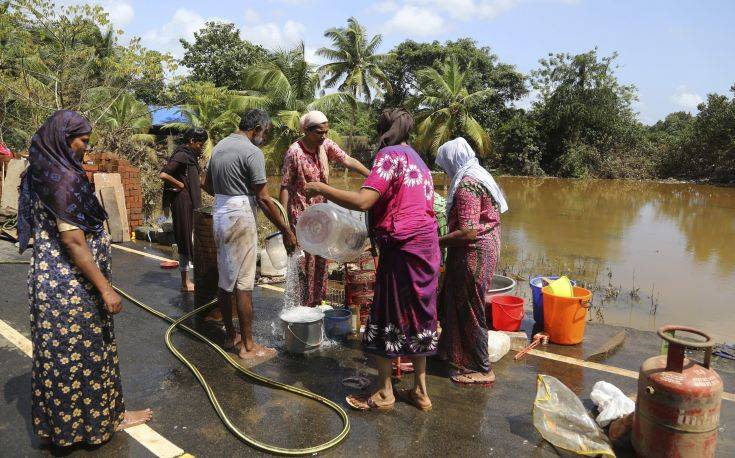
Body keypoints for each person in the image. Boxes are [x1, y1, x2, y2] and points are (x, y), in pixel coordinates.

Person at [16, 110, 152, 447]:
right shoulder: (62, 179)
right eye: (82, 142)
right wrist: (105, 288)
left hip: (49, 283)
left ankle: (66, 429)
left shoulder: (41, 171)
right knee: (88, 354)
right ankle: (100, 424)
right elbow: (73, 240)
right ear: (64, 139)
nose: (85, 149)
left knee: (61, 357)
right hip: (70, 287)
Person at [305, 108, 440, 412]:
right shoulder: (417, 159)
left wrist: (320, 188)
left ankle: (384, 393)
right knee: (419, 314)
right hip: (426, 246)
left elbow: (366, 200)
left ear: (385, 130)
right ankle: (420, 391)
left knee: (385, 314)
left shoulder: (389, 155)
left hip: (402, 246)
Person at [203, 109, 297, 359]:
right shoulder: (251, 152)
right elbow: (265, 199)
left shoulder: (220, 147)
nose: (264, 139)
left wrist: (228, 194)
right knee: (244, 285)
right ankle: (248, 346)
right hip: (239, 215)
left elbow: (206, 184)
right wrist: (285, 230)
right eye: (264, 134)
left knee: (225, 281)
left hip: (220, 212)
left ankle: (230, 336)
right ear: (256, 129)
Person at [435, 137, 508, 385]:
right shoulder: (479, 175)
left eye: (445, 165)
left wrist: (437, 241)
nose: (445, 171)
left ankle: (481, 367)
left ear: (452, 160)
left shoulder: (467, 185)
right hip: (485, 247)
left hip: (474, 253)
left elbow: (468, 231)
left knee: (469, 308)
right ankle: (450, 352)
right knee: (451, 300)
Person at [279, 110, 369, 307]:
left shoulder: (325, 146)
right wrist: (285, 225)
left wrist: (370, 176)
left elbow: (347, 160)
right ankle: (302, 307)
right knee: (304, 263)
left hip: (323, 216)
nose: (324, 136)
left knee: (321, 260)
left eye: (326, 132)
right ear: (307, 131)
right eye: (320, 132)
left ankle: (317, 302)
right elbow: (285, 186)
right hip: (300, 216)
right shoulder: (295, 152)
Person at [160, 128, 208, 292]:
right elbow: (164, 175)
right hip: (182, 202)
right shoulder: (182, 155)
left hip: (191, 202)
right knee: (185, 239)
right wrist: (180, 185)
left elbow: (199, 183)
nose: (201, 146)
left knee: (192, 239)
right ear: (191, 141)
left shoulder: (191, 157)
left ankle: (193, 279)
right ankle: (185, 282)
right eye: (200, 143)